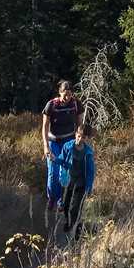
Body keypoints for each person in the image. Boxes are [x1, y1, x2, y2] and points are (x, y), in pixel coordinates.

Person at [42, 80, 85, 210]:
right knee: (53, 172)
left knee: (65, 172)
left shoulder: (76, 104)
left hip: (68, 142)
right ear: (60, 92)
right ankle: (52, 199)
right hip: (54, 142)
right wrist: (45, 146)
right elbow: (44, 126)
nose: (67, 97)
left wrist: (79, 139)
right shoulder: (51, 105)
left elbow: (80, 124)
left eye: (70, 94)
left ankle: (61, 201)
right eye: (65, 94)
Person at [59, 122, 96, 240]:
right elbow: (62, 160)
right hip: (68, 182)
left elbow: (90, 171)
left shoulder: (88, 152)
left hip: (81, 184)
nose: (80, 139)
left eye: (83, 137)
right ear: (76, 134)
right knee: (65, 206)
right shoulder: (67, 146)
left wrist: (89, 188)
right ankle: (69, 222)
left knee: (75, 208)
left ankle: (77, 230)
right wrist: (54, 158)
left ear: (87, 138)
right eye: (79, 136)